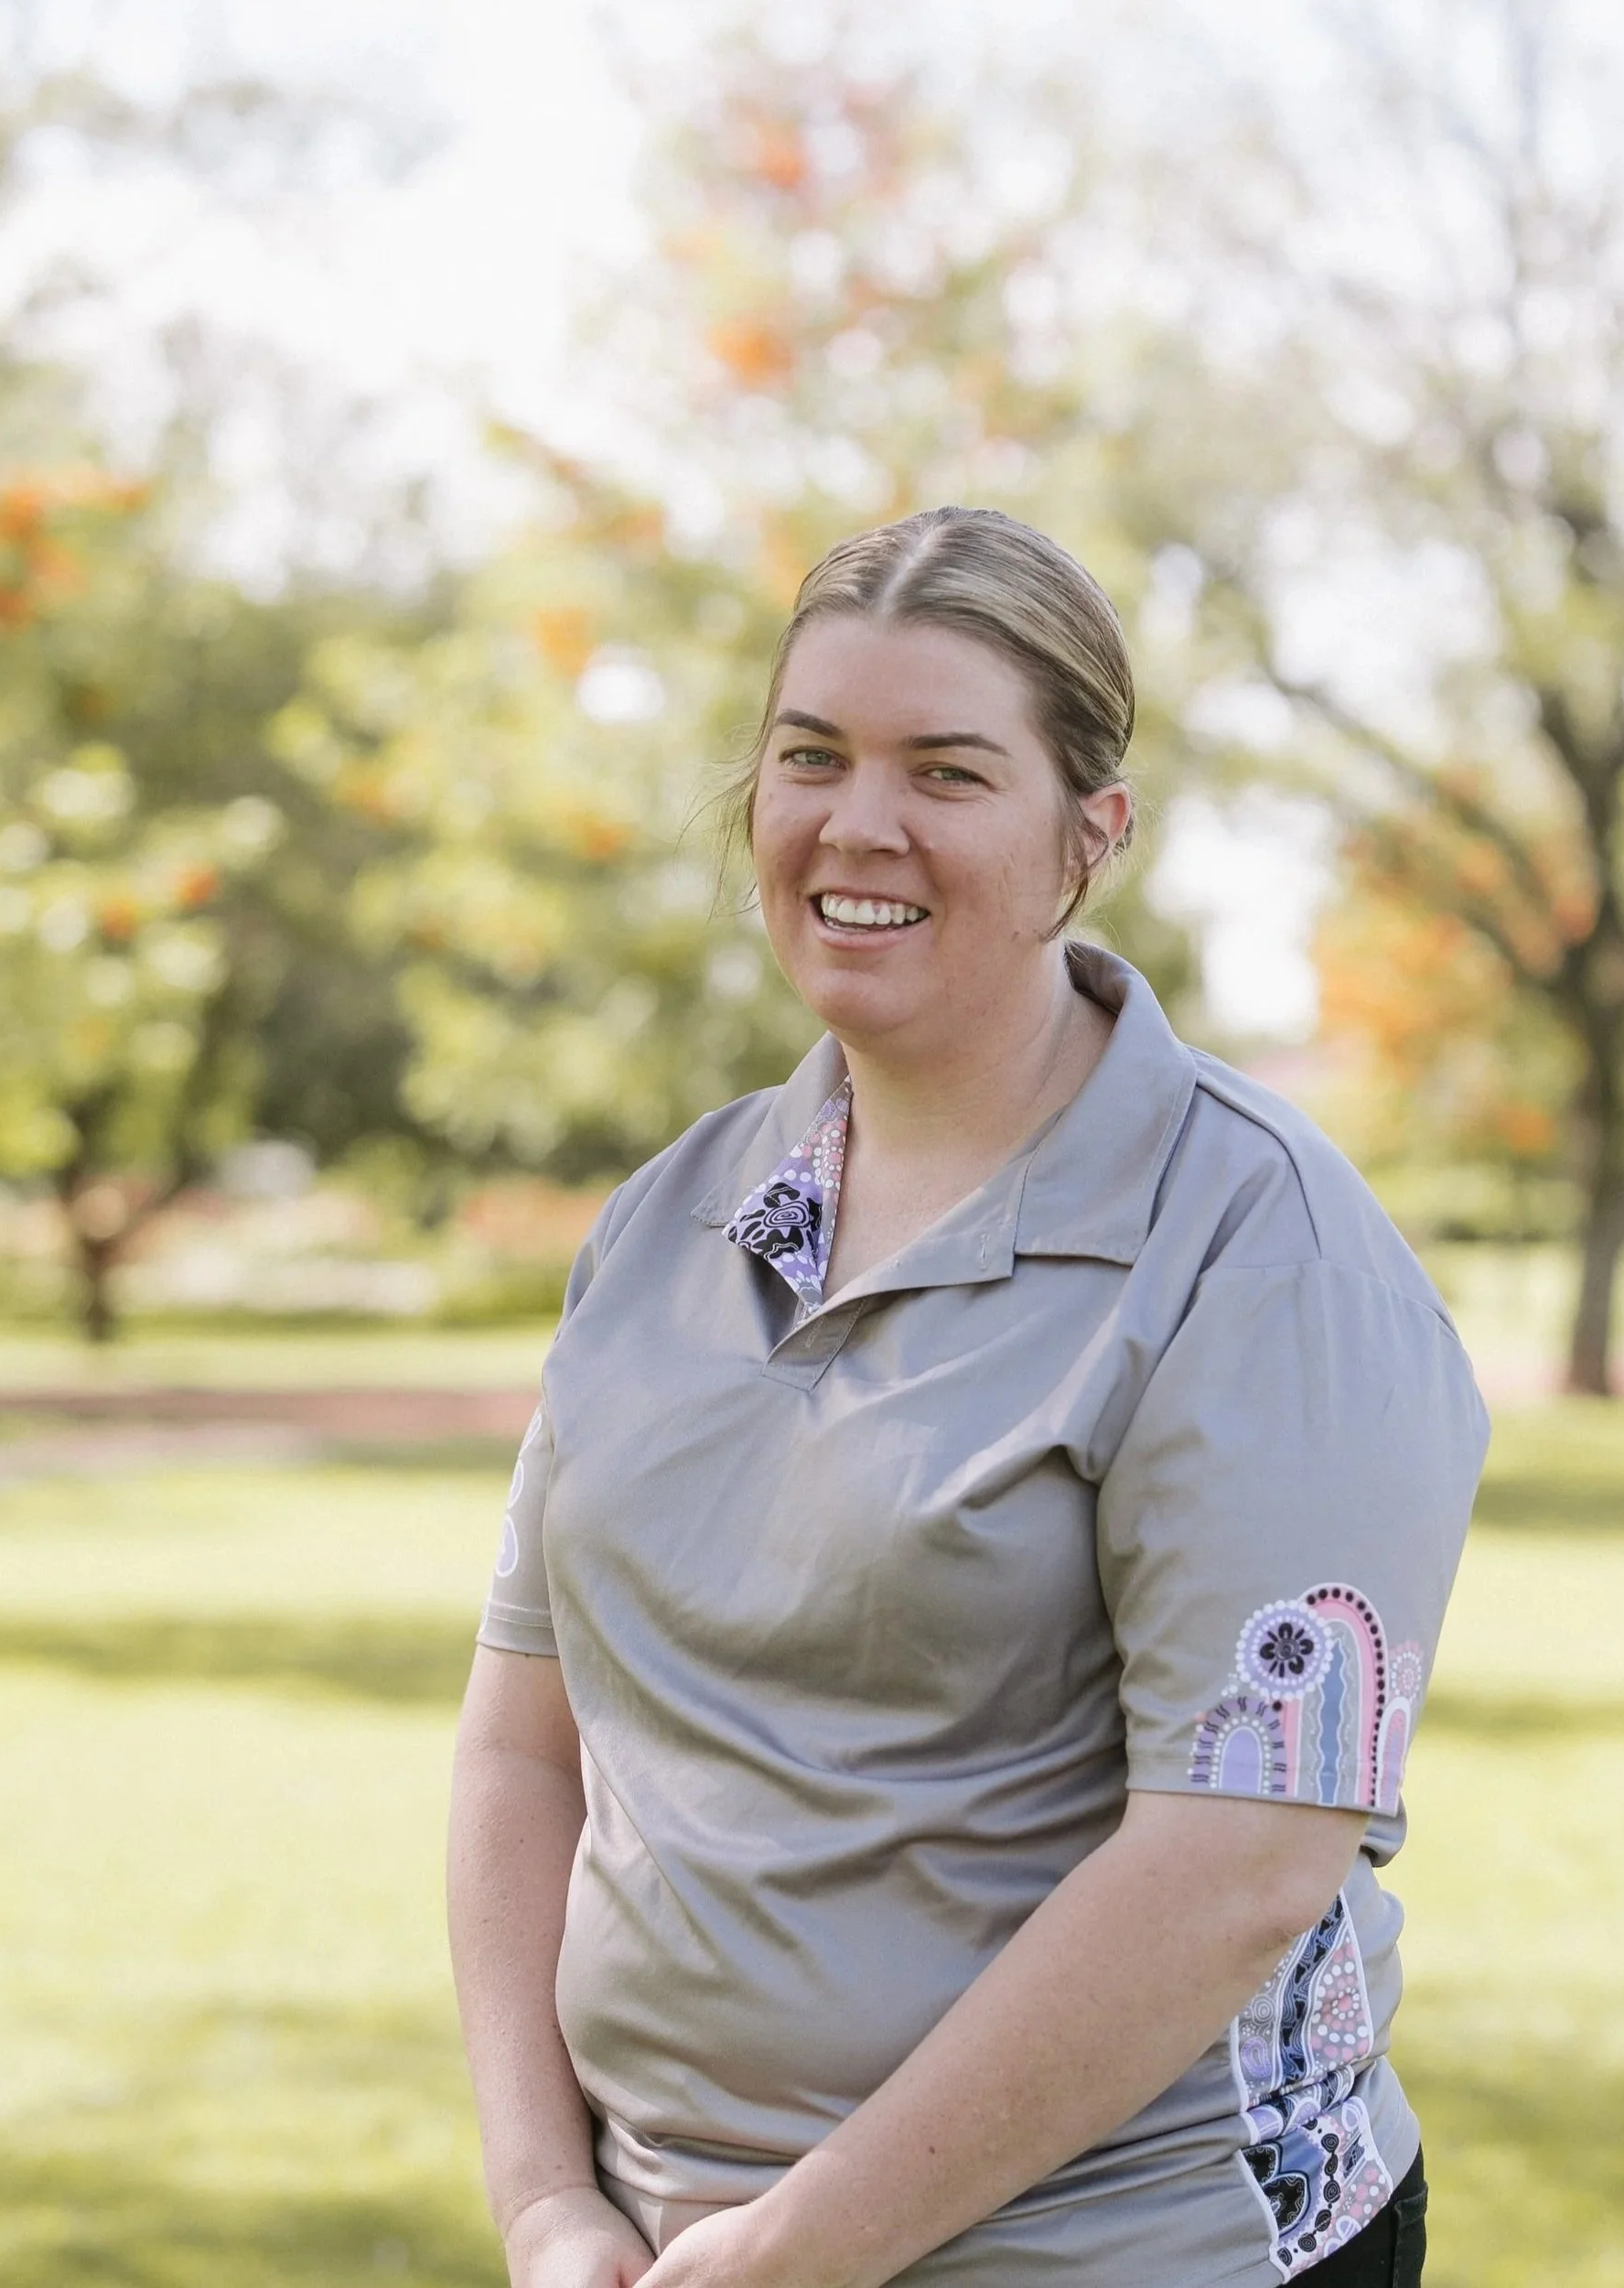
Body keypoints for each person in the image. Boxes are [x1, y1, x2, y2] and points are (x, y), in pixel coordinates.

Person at [448, 506, 1490, 2288]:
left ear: (1092, 834)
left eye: (946, 770)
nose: (859, 823)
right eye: (811, 756)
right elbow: (522, 1746)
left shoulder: (1260, 1249)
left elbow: (1238, 1865)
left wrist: (807, 2244)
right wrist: (549, 2199)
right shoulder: (662, 1224)